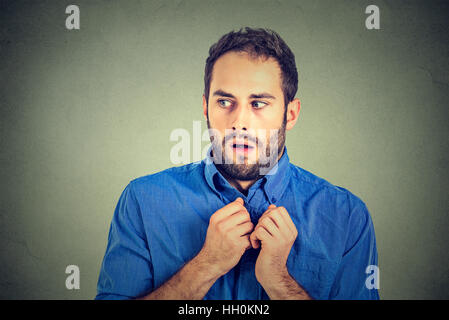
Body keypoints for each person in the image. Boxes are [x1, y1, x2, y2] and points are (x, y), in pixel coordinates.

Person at [95, 27, 379, 300]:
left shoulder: (347, 217)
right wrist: (205, 266)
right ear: (206, 107)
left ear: (290, 115)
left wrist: (279, 282)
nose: (239, 122)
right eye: (225, 102)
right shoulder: (142, 202)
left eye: (258, 103)